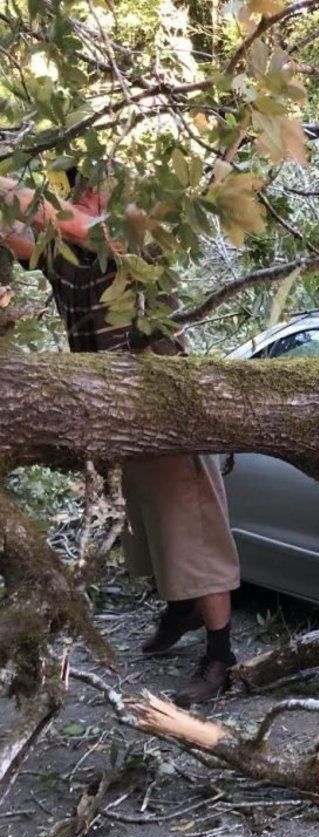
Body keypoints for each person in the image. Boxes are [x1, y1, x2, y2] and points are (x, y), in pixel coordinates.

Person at [0, 171, 241, 707]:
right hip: (110, 409)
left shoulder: (134, 232)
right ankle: (180, 608)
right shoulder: (63, 251)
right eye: (95, 184)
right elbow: (18, 233)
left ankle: (222, 654)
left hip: (162, 404)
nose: (101, 193)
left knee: (192, 531)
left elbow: (54, 218)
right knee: (148, 526)